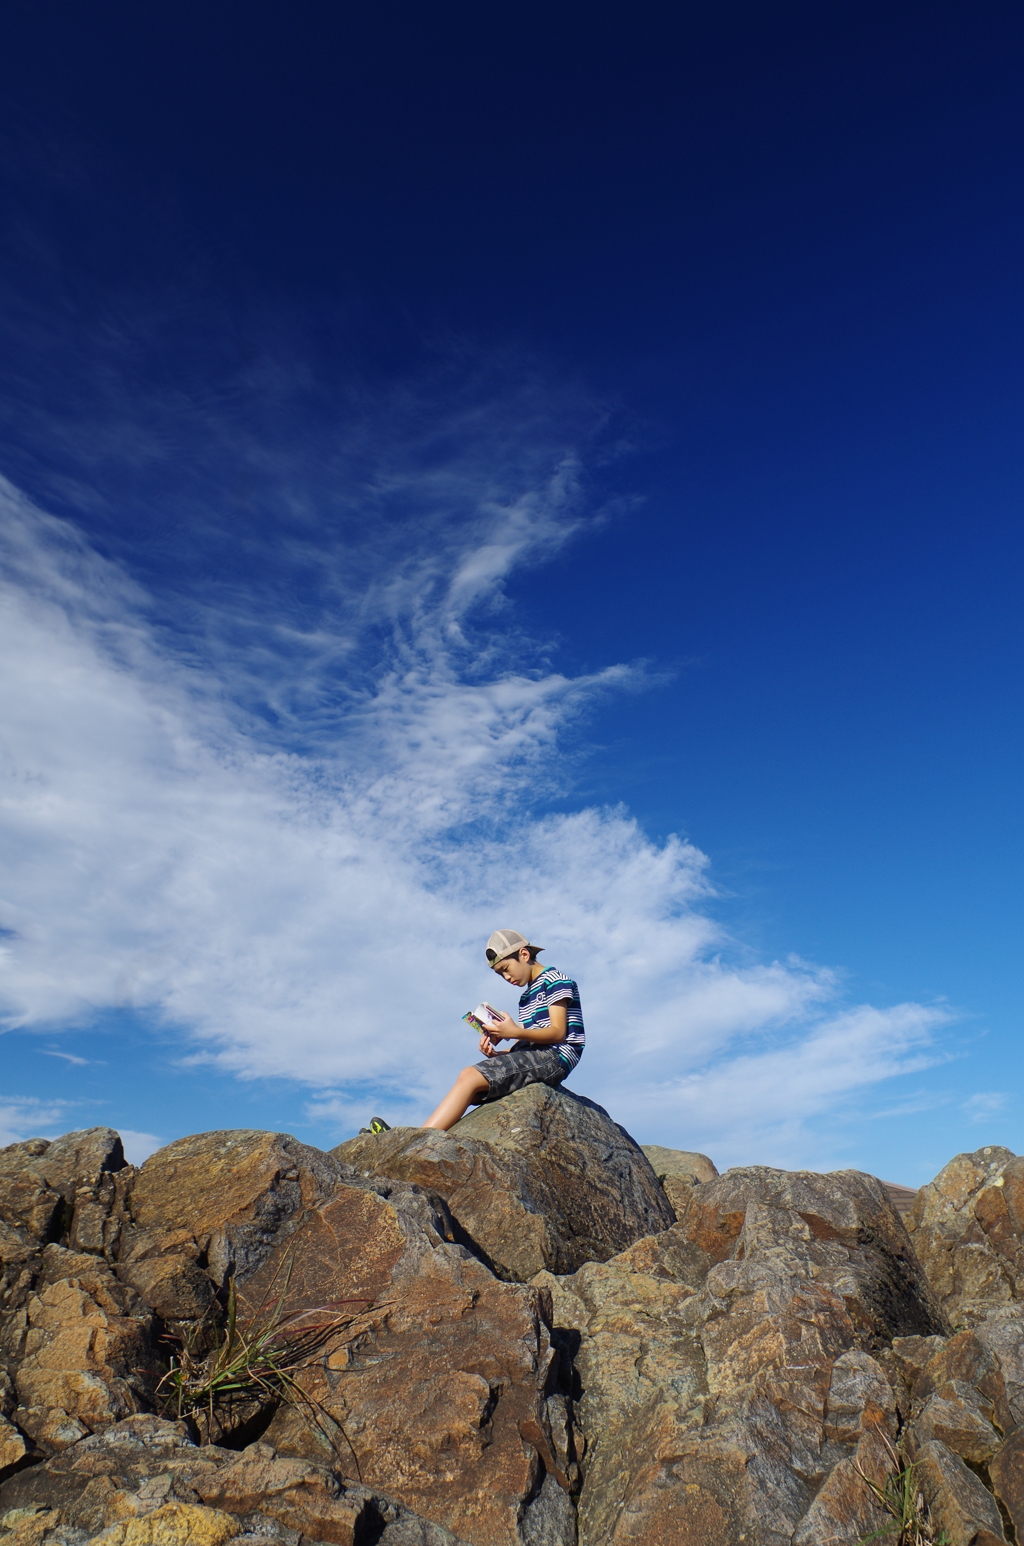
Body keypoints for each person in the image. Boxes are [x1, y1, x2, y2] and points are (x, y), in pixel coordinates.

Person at [419, 928, 585, 1131]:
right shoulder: (525, 998)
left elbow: (558, 1033)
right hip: (540, 1054)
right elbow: (529, 1046)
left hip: (556, 1056)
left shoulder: (555, 980)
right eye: (500, 974)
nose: (506, 977)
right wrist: (497, 1053)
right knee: (473, 1089)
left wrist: (514, 1032)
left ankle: (418, 1138)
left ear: (524, 954)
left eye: (506, 968)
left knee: (470, 1076)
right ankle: (421, 1137)